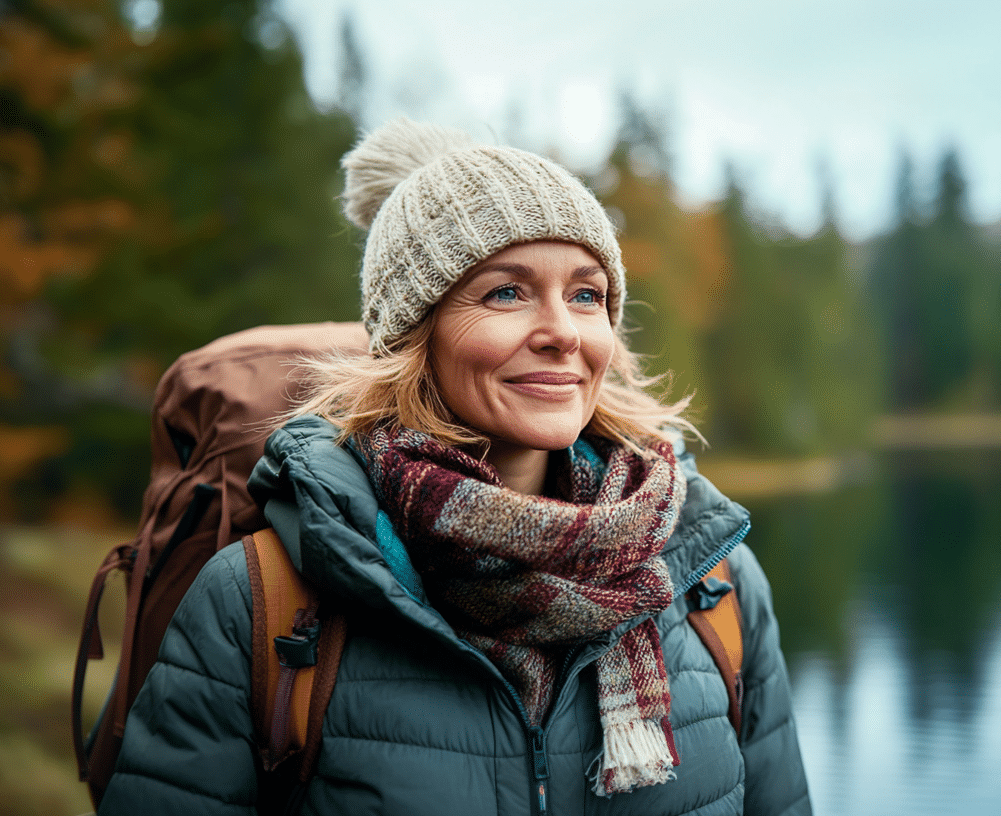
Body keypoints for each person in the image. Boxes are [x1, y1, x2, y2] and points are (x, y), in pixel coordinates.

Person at [98, 118, 811, 815]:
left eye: (586, 294)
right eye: (506, 291)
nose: (563, 332)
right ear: (415, 333)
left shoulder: (712, 585)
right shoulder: (262, 600)